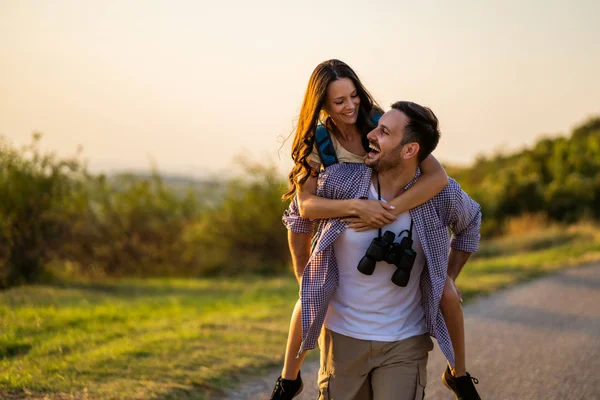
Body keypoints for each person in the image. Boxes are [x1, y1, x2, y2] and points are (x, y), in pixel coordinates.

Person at [269, 60, 477, 399]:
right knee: (308, 294)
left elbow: (436, 177)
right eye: (339, 102)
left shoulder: (380, 121)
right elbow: (304, 208)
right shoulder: (317, 142)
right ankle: (289, 379)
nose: (350, 106)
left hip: (377, 207)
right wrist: (358, 207)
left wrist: (387, 211)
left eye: (354, 96)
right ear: (323, 105)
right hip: (327, 217)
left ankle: (460, 373)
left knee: (448, 294)